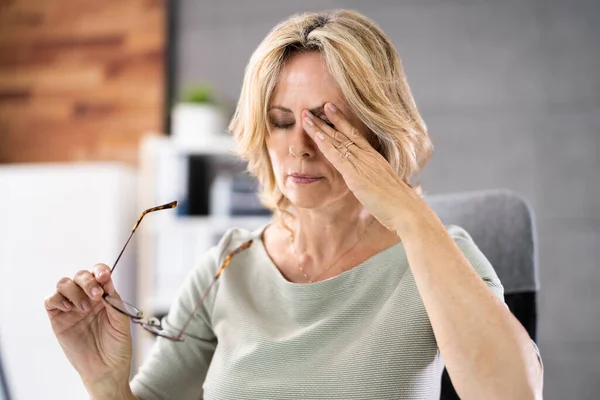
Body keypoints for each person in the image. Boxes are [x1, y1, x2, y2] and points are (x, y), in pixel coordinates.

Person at [44, 9, 543, 400]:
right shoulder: (227, 267)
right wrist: (106, 386)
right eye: (282, 121)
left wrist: (406, 212)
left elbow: (515, 395)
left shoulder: (435, 253)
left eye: (327, 123)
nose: (300, 146)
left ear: (378, 130)